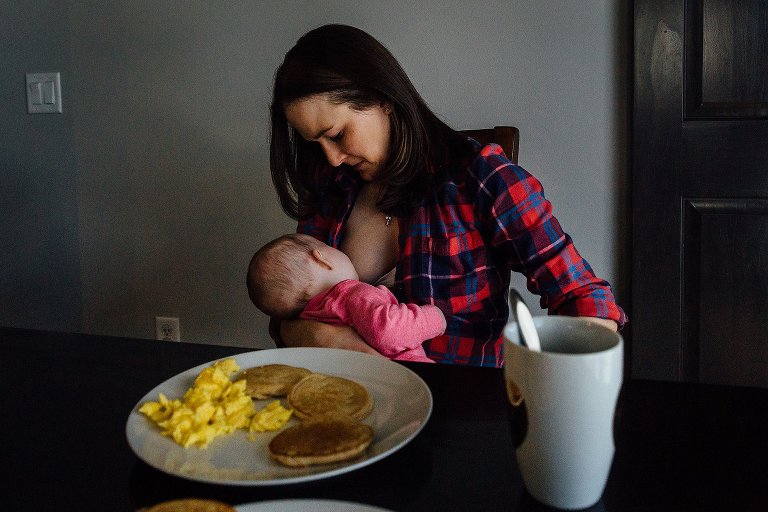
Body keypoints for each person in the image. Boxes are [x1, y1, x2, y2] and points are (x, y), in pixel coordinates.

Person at [263, 23, 627, 367]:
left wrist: (566, 381)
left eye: (337, 135)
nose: (332, 157)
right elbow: (288, 309)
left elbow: (584, 296)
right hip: (352, 398)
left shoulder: (482, 179)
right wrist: (326, 340)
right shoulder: (332, 188)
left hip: (460, 401)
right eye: (316, 144)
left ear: (381, 98)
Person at [247, 233, 443, 363]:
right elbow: (390, 332)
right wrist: (435, 318)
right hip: (407, 374)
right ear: (321, 259)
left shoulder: (312, 313)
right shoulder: (352, 294)